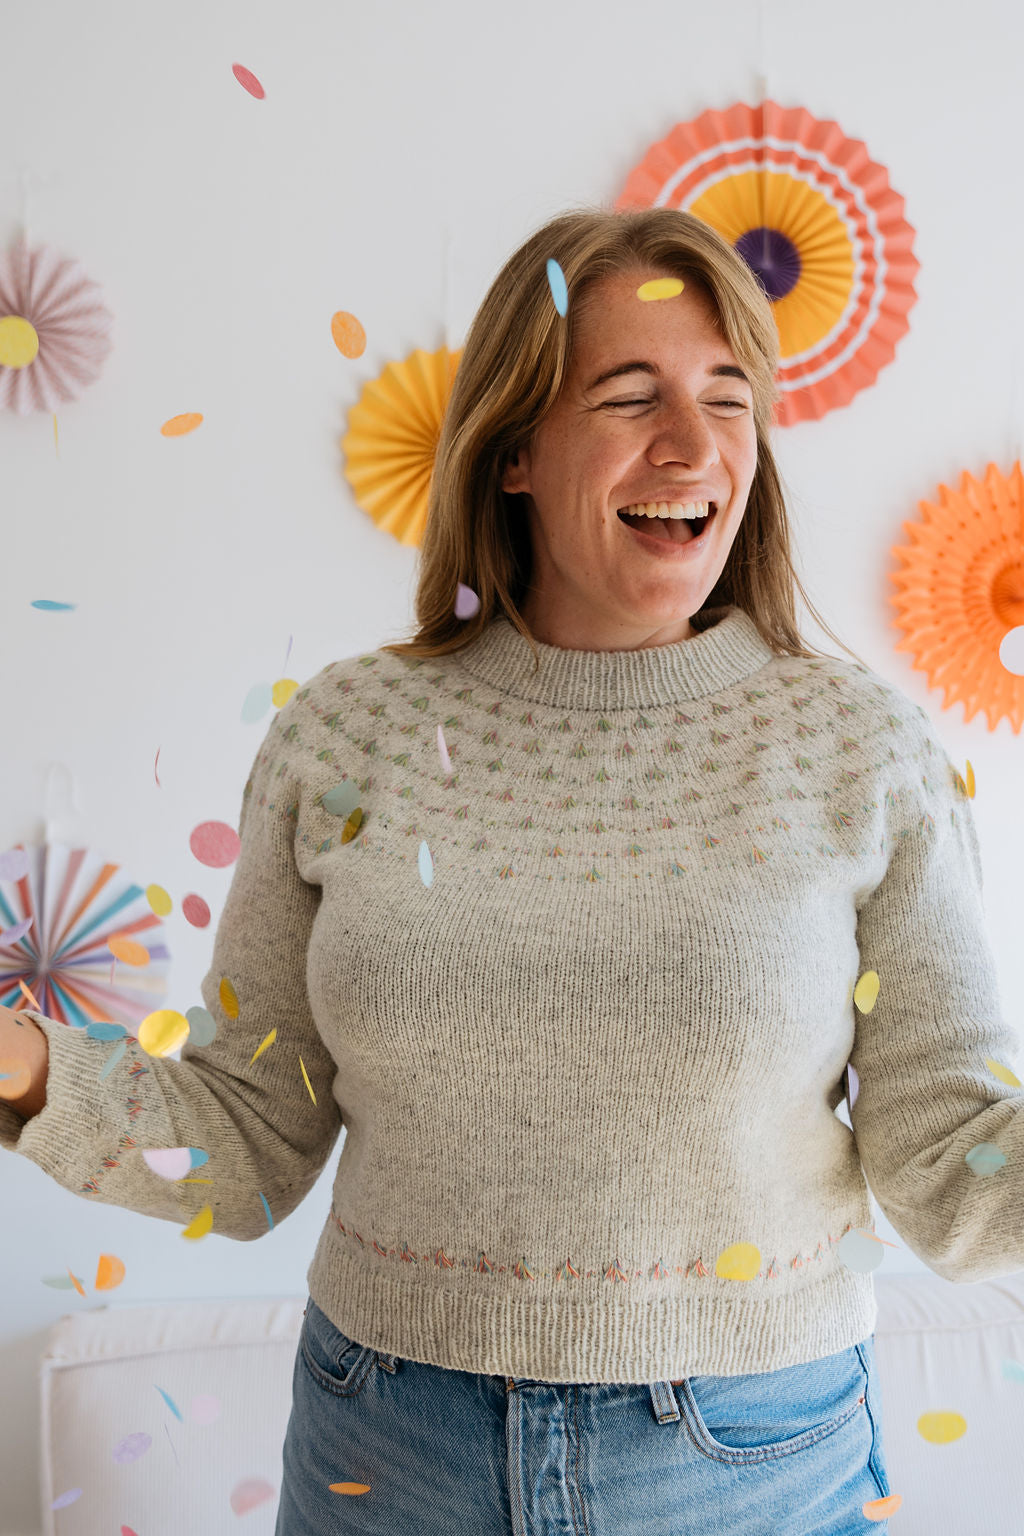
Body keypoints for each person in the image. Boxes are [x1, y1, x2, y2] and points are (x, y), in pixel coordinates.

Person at [2, 206, 1020, 1534]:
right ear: (519, 449)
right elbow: (245, 1148)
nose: (697, 444)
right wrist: (25, 1068)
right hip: (388, 1446)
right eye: (630, 394)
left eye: (729, 396)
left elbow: (950, 1173)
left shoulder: (860, 749)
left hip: (743, 1459)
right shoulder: (346, 732)